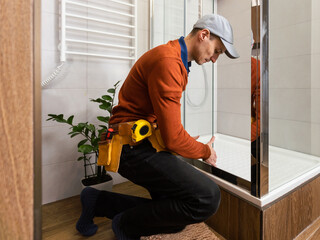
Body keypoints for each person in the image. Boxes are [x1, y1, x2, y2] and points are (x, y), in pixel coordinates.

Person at [75, 14, 239, 239]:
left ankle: (98, 201)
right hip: (130, 149)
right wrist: (204, 151)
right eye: (217, 51)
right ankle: (125, 225)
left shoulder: (176, 59)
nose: (214, 59)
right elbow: (172, 138)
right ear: (204, 35)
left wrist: (188, 139)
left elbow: (163, 123)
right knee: (207, 197)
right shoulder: (169, 62)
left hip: (141, 142)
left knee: (173, 218)